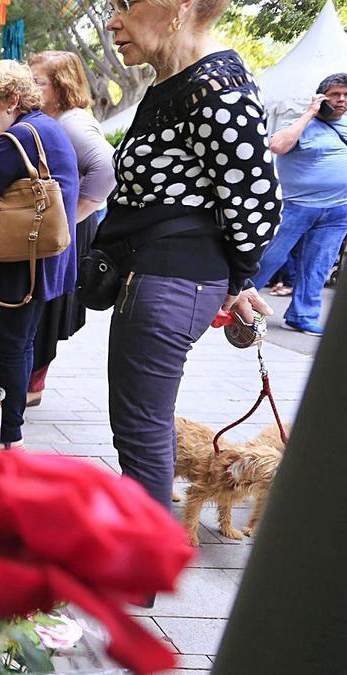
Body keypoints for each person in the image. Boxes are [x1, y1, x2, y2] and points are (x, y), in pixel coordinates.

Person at [101, 0, 280, 508]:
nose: (114, 21)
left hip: (170, 279)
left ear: (176, 8)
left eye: (124, 6)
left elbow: (258, 202)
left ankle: (137, 578)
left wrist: (238, 279)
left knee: (141, 438)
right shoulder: (181, 82)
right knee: (140, 434)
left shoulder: (216, 88)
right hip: (161, 276)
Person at [0, 60, 80, 448]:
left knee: (8, 349)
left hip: (15, 268)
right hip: (39, 261)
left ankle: (8, 437)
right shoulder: (46, 129)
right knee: (20, 346)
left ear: (10, 100)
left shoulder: (20, 137)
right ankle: (6, 431)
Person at [26, 51, 117, 406]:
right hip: (59, 226)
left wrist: (74, 212)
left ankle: (33, 383)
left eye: (39, 82)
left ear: (61, 85)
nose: (31, 87)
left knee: (47, 307)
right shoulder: (53, 118)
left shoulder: (72, 122)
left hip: (67, 230)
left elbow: (107, 170)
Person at [249, 73, 347, 336]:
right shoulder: (301, 124)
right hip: (296, 206)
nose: (341, 100)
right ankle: (239, 302)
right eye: (335, 94)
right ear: (322, 97)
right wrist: (310, 113)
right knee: (269, 257)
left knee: (318, 266)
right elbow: (276, 145)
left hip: (338, 211)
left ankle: (302, 316)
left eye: (346, 96)